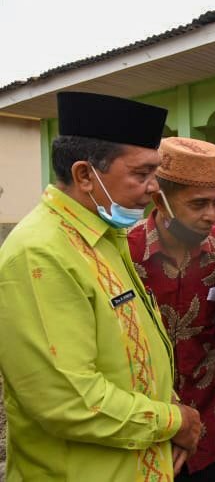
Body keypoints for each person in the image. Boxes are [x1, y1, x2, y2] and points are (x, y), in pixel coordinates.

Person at [0, 92, 201, 481]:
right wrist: (174, 420)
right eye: (141, 175)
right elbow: (67, 400)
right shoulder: (40, 253)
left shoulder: (104, 234)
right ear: (85, 175)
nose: (154, 188)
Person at [128, 137, 215, 481]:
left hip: (212, 420)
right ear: (160, 200)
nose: (212, 215)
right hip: (146, 424)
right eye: (199, 204)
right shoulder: (126, 254)